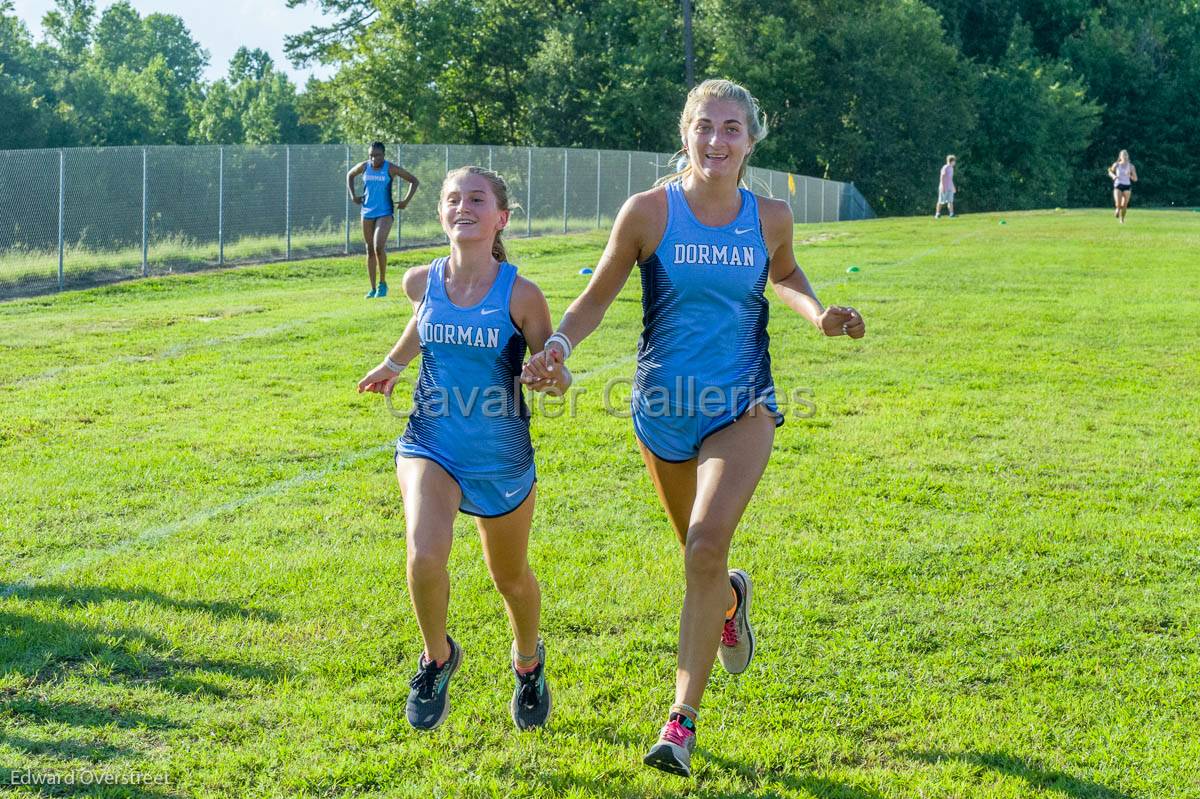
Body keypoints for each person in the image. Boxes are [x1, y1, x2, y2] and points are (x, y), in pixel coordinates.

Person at [521, 79, 865, 777]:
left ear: (752, 140)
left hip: (743, 407)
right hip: (661, 415)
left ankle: (679, 721)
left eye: (732, 128)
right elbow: (597, 296)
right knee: (701, 558)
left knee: (707, 543)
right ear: (686, 133)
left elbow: (788, 273)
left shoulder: (770, 215)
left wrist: (818, 313)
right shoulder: (648, 212)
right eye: (705, 126)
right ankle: (732, 598)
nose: (717, 141)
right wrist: (556, 346)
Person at [357, 166, 571, 732]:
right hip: (431, 441)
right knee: (425, 553)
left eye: (477, 198)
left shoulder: (521, 295)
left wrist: (549, 377)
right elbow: (422, 322)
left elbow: (556, 371)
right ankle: (437, 657)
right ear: (441, 214)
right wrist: (394, 364)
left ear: (500, 217)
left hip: (499, 454)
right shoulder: (420, 280)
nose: (462, 206)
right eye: (453, 198)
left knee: (511, 577)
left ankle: (528, 662)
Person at [347, 142, 420, 298]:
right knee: (369, 249)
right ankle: (372, 288)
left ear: (384, 155)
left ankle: (382, 284)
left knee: (378, 246)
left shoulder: (390, 168)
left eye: (377, 155)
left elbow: (414, 181)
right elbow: (350, 175)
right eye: (371, 155)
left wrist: (406, 201)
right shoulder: (364, 167)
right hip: (366, 212)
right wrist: (353, 195)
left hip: (385, 212)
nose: (374, 158)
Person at [1108, 150, 1138, 223]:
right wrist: (1113, 176)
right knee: (1118, 204)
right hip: (1118, 185)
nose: (1124, 157)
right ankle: (1117, 209)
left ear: (1128, 156)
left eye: (1126, 155)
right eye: (1123, 155)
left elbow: (1135, 179)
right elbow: (1110, 171)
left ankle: (1122, 219)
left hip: (1127, 186)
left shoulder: (1131, 166)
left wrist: (1130, 176)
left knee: (1124, 205)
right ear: (1120, 157)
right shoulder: (1116, 164)